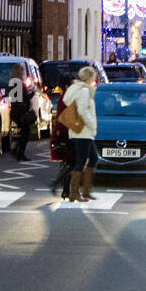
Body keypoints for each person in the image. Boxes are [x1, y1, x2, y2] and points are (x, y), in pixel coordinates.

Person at [62, 67, 99, 202]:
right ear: (89, 78)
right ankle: (74, 193)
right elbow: (83, 110)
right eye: (93, 77)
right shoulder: (83, 90)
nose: (94, 80)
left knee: (94, 158)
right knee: (81, 161)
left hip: (84, 132)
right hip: (83, 131)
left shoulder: (79, 89)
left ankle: (86, 191)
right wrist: (92, 124)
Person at [48, 73, 79, 199]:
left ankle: (66, 190)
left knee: (67, 162)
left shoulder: (63, 97)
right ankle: (56, 184)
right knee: (74, 162)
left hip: (63, 132)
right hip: (69, 132)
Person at [7, 62, 34, 162]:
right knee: (26, 132)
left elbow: (14, 97)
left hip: (15, 111)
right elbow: (22, 98)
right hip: (20, 112)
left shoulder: (12, 82)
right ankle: (20, 153)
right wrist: (32, 94)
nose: (23, 73)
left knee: (23, 131)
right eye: (22, 71)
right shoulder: (18, 83)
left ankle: (16, 150)